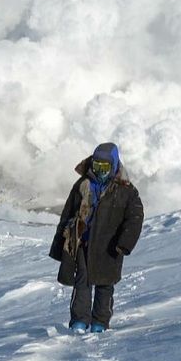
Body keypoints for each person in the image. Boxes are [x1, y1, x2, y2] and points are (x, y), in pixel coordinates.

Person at [49, 142, 144, 333]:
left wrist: (124, 244)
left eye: (105, 167)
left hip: (110, 247)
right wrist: (60, 244)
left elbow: (135, 218)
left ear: (114, 165)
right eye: (97, 165)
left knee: (105, 284)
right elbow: (68, 213)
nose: (100, 171)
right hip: (83, 243)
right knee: (82, 282)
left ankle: (100, 323)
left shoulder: (126, 190)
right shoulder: (83, 184)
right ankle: (79, 322)